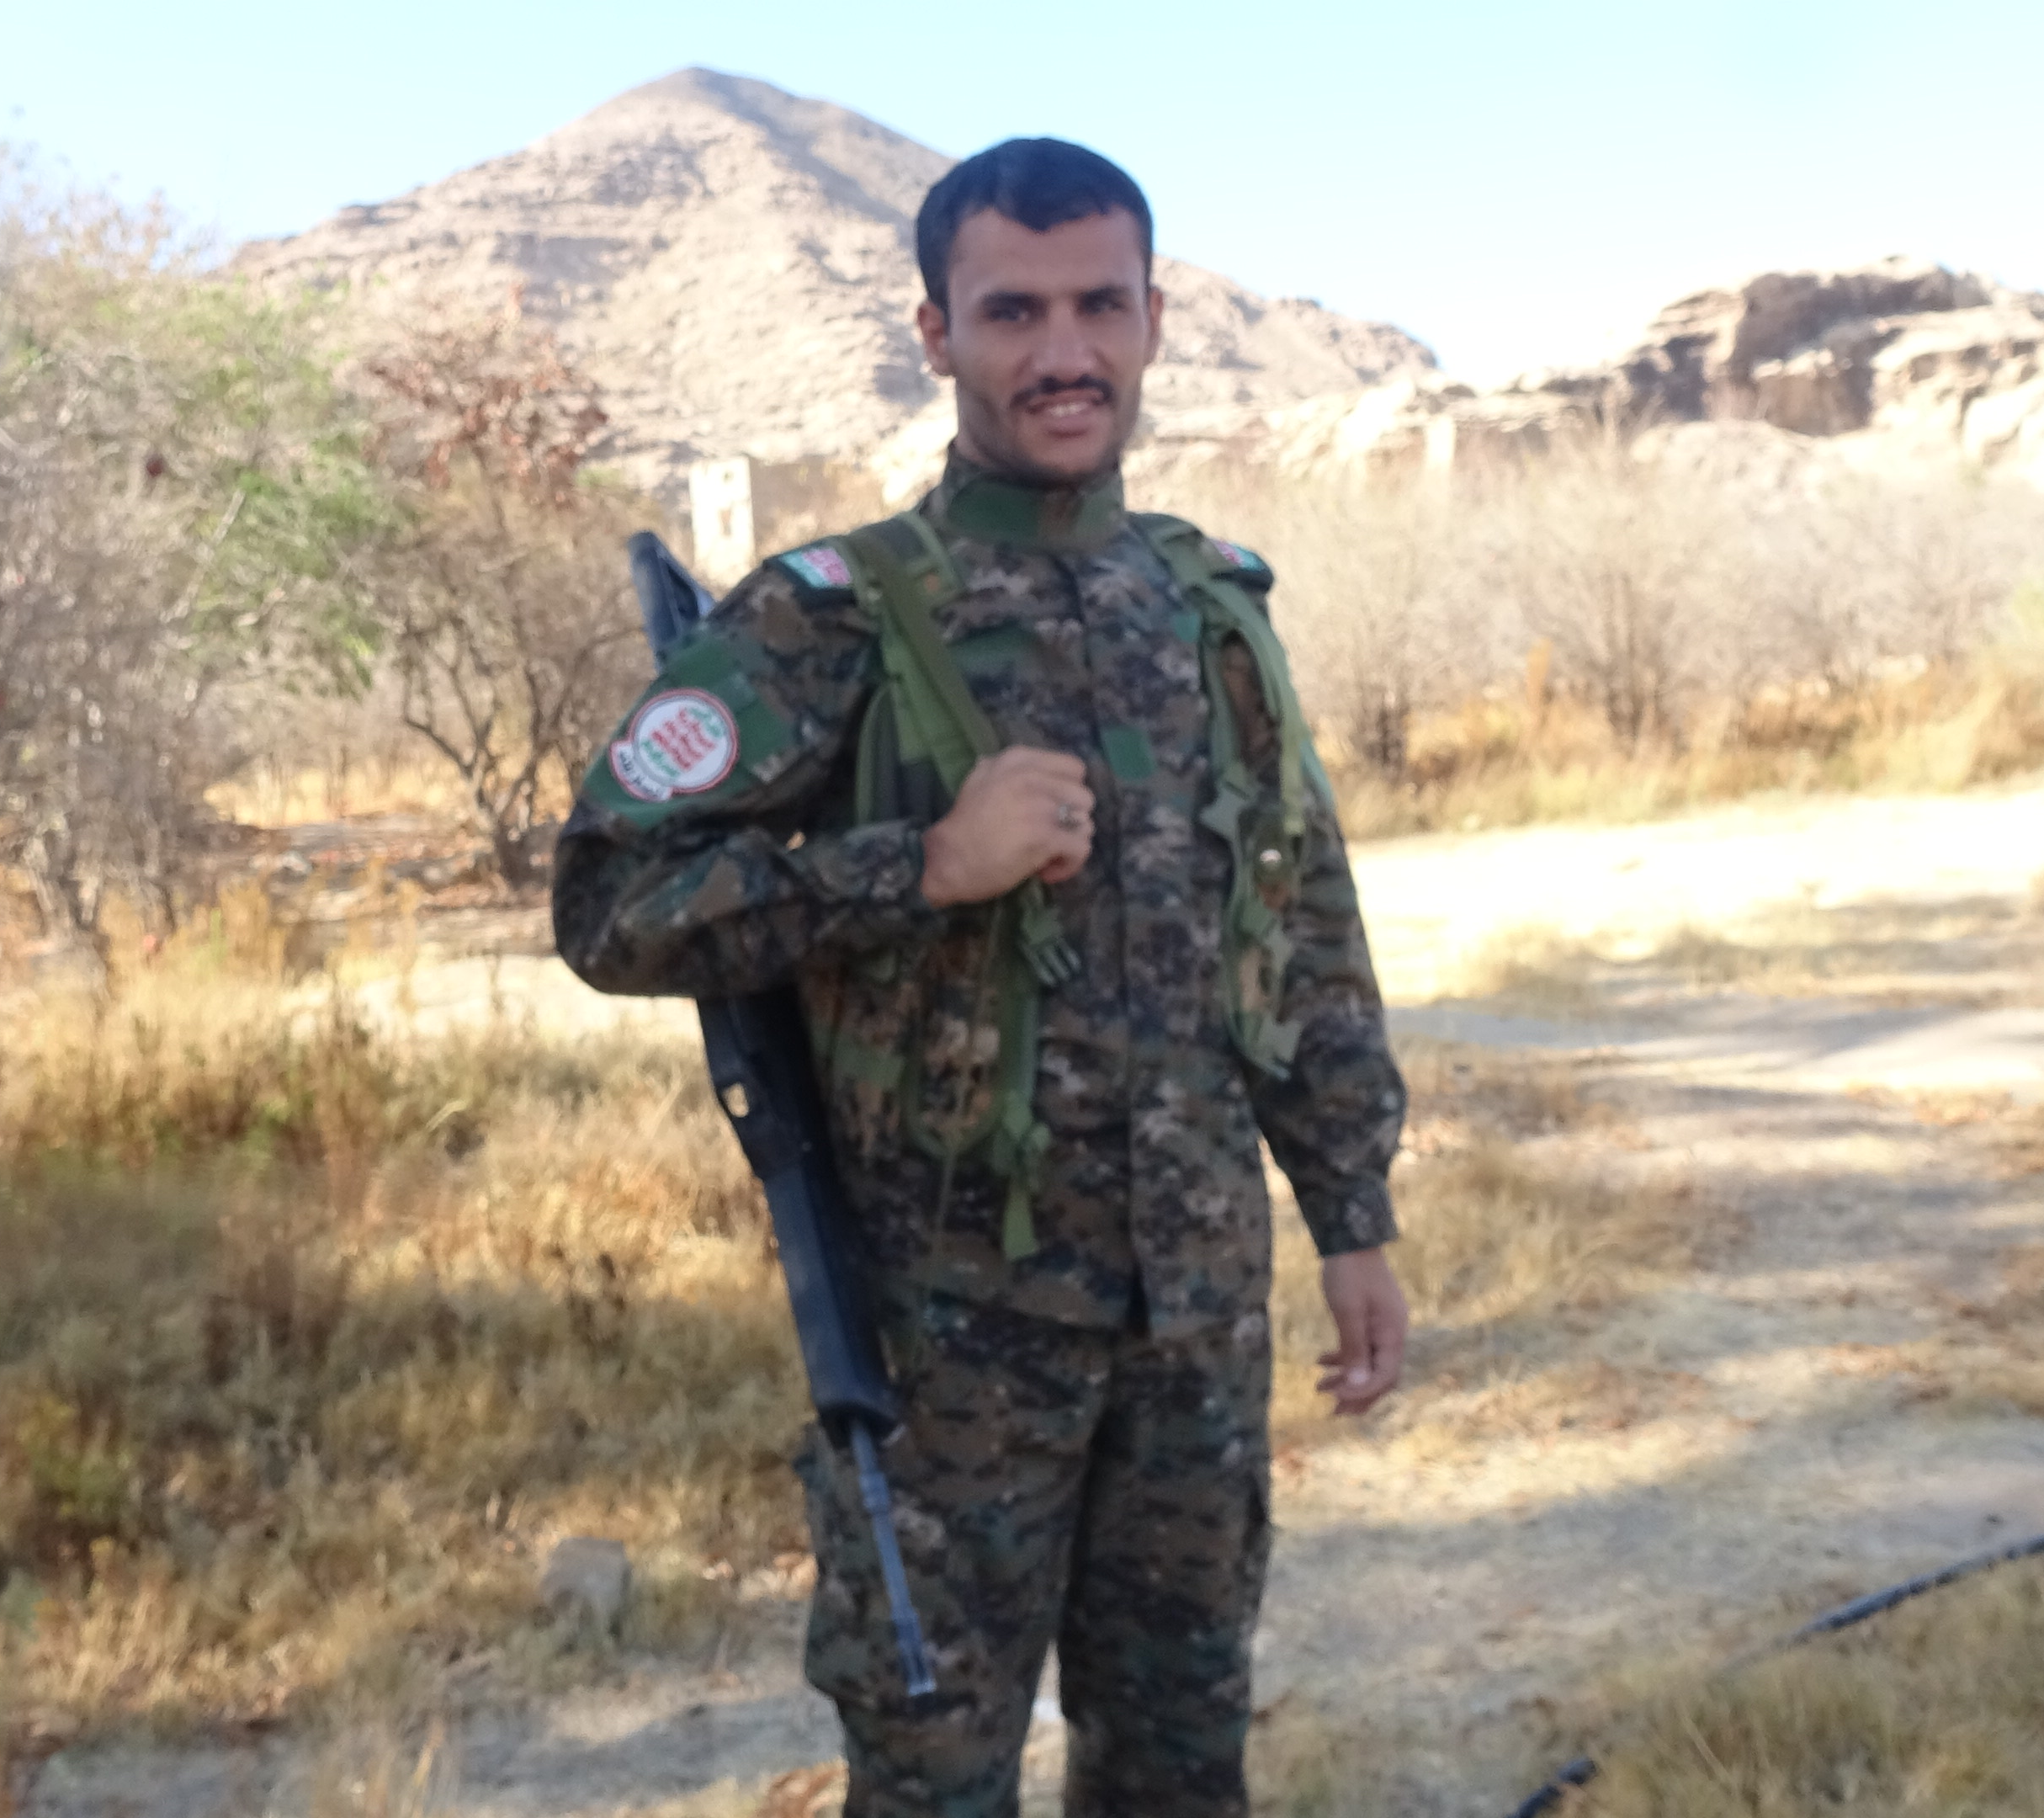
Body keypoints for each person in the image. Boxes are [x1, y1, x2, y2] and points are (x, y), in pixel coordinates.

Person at [552, 136, 1408, 1818]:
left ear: (1154, 319)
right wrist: (921, 866)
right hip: (950, 1347)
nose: (1063, 352)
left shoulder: (1209, 609)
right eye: (1013, 312)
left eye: (1099, 305)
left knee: (1180, 1763)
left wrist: (1353, 1216)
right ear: (937, 333)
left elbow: (1302, 919)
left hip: (1194, 1328)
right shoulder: (829, 618)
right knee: (936, 1778)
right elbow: (610, 896)